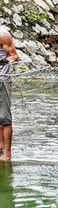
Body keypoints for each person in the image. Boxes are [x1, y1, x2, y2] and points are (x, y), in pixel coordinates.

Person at [0, 26, 19, 161]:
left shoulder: (3, 36)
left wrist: (4, 62)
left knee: (4, 116)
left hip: (2, 80)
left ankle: (7, 153)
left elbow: (14, 56)